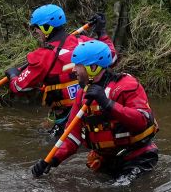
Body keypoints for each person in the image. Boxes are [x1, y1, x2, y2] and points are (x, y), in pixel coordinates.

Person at [30, 40, 158, 181]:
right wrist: (52, 161)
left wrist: (107, 103)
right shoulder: (82, 94)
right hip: (106, 160)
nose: (73, 70)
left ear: (93, 67)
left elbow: (142, 121)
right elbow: (72, 136)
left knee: (118, 190)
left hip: (137, 158)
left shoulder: (126, 86)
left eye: (78, 65)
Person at [6, 4, 112, 135]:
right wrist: (102, 33)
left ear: (46, 28)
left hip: (68, 118)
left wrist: (13, 75)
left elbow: (19, 87)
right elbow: (112, 58)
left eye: (36, 28)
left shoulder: (41, 56)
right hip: (94, 109)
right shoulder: (83, 41)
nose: (35, 32)